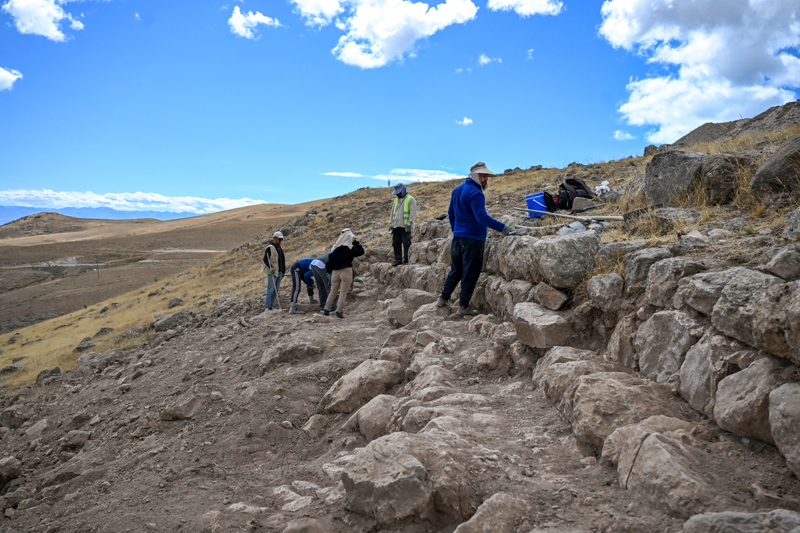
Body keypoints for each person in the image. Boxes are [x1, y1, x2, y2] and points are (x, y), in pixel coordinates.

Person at [437, 162, 516, 316]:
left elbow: (451, 213)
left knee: (456, 270)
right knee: (470, 273)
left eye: (486, 176)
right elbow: (481, 217)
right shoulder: (476, 193)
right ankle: (464, 306)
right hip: (473, 238)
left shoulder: (457, 190)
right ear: (475, 175)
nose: (485, 179)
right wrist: (503, 228)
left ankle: (442, 299)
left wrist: (456, 231)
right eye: (483, 175)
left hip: (458, 238)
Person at [323, 229, 365, 319]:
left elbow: (329, 262)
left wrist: (330, 272)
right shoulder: (349, 248)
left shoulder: (335, 249)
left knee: (333, 292)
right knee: (343, 292)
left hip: (335, 272)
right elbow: (361, 251)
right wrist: (355, 243)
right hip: (346, 271)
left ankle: (326, 310)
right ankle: (339, 311)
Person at [388, 183, 417, 266]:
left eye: (398, 192)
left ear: (403, 191)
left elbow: (413, 213)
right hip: (396, 226)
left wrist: (409, 223)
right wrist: (391, 225)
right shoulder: (396, 200)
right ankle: (398, 260)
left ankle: (407, 260)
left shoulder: (411, 199)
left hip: (405, 226)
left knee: (406, 243)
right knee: (396, 243)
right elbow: (392, 214)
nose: (397, 194)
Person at [263, 231, 286, 310]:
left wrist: (283, 271)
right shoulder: (270, 248)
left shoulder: (280, 247)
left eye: (281, 240)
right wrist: (271, 267)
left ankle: (271, 305)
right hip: (272, 272)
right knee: (271, 290)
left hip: (279, 272)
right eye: (279, 239)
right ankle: (267, 307)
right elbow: (265, 259)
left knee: (276, 291)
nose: (280, 241)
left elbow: (282, 260)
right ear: (274, 238)